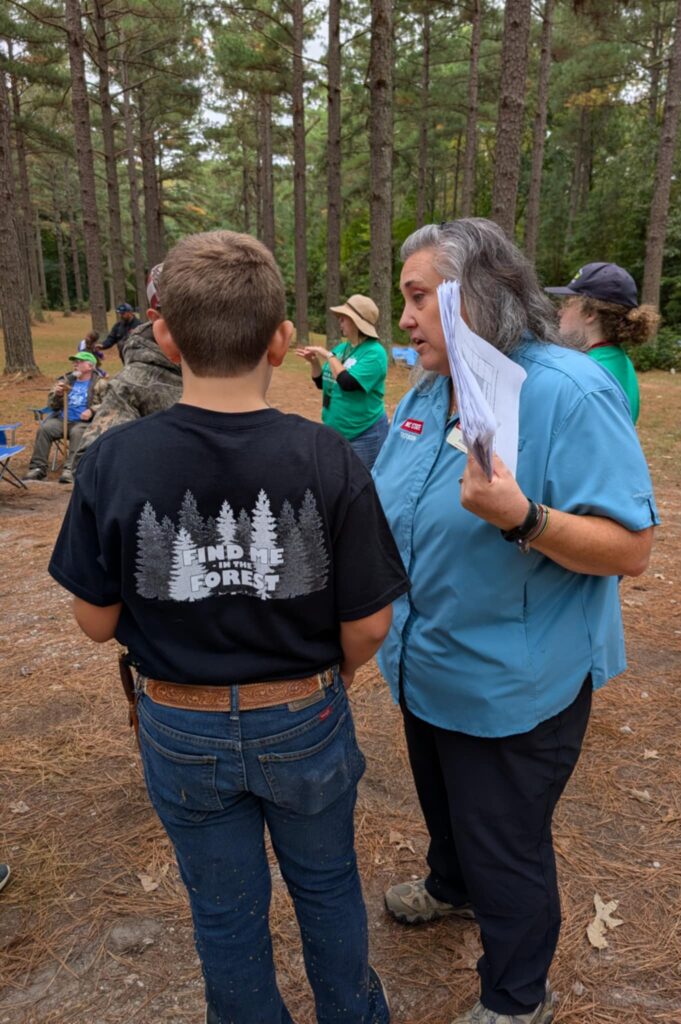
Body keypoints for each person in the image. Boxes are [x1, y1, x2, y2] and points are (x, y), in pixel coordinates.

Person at [49, 230, 409, 1024]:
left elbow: (91, 619)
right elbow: (371, 620)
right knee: (328, 889)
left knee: (222, 911)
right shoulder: (329, 457)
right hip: (305, 715)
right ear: (282, 341)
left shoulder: (114, 460)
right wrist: (333, 677)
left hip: (180, 722)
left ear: (164, 334)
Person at [373, 219, 657, 1024]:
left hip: (513, 684)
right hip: (427, 661)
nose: (405, 319)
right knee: (443, 800)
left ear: (478, 297)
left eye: (419, 297)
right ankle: (450, 886)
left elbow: (629, 549)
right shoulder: (433, 390)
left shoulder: (566, 392)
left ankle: (515, 995)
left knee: (506, 840)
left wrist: (524, 517)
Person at [71, 264, 183, 476]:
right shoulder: (130, 386)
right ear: (156, 319)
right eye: (185, 311)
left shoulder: (237, 373)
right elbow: (90, 467)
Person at [546, 262, 660, 424]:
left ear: (590, 313)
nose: (560, 312)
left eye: (567, 303)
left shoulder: (586, 373)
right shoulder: (619, 360)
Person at [296, 294, 389, 469]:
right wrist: (314, 362)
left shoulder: (375, 353)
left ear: (357, 323)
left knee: (362, 486)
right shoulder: (341, 349)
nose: (340, 320)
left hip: (365, 435)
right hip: (337, 433)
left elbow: (348, 383)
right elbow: (322, 383)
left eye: (344, 317)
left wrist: (328, 355)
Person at [23, 352, 108, 484]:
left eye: (80, 361)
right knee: (45, 428)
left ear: (90, 366)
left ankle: (71, 469)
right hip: (62, 420)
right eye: (74, 361)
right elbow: (52, 405)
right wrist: (57, 395)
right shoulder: (65, 381)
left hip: (84, 422)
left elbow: (109, 404)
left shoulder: (100, 383)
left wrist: (92, 410)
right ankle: (38, 468)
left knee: (77, 432)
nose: (75, 364)